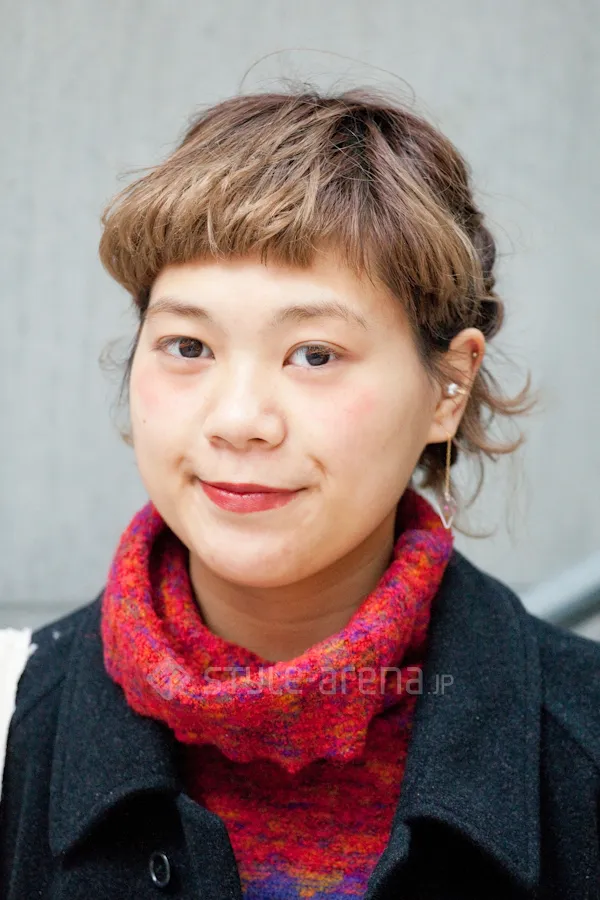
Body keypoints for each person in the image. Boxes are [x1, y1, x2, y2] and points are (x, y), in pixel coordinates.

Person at [1, 86, 600, 900]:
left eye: (314, 355)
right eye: (188, 346)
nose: (239, 420)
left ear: (449, 387)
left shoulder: (582, 737)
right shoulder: (11, 719)